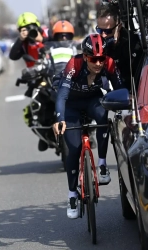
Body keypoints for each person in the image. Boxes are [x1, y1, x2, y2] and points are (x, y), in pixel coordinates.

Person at [52, 34, 123, 219]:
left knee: (102, 114)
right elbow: (62, 95)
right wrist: (60, 118)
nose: (98, 64)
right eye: (93, 59)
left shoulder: (108, 63)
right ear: (85, 56)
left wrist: (125, 108)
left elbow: (120, 89)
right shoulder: (73, 65)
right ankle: (72, 195)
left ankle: (102, 164)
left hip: (93, 101)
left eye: (101, 59)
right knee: (74, 149)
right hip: (72, 106)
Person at [96, 3, 143, 91]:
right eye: (100, 30)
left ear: (119, 27)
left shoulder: (134, 43)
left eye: (108, 31)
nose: (103, 35)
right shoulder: (98, 46)